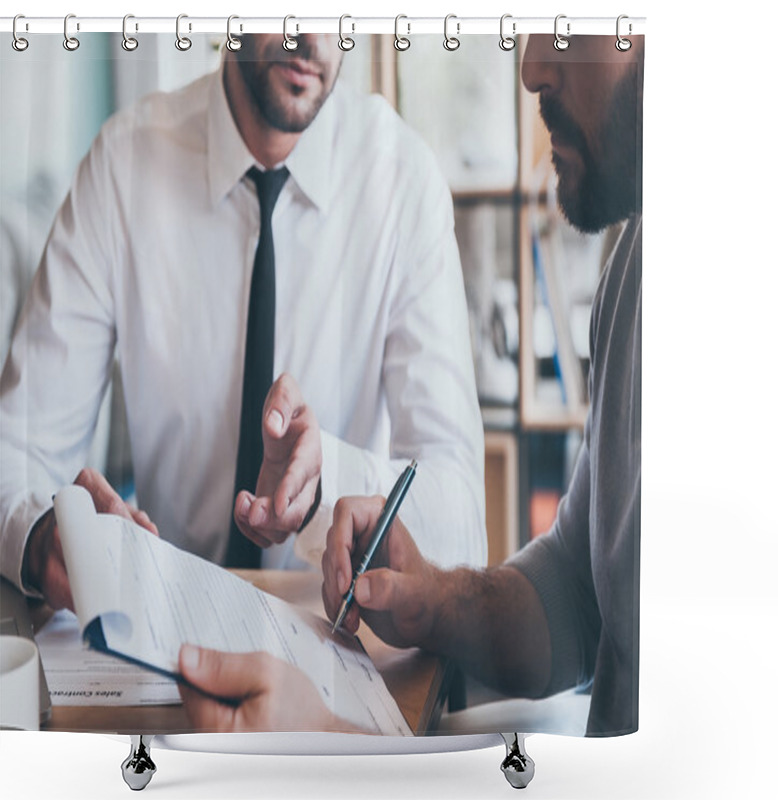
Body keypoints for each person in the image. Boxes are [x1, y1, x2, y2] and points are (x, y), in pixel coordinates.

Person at [175, 32, 643, 738]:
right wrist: (437, 605)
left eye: (568, 24)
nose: (534, 68)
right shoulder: (634, 253)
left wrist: (337, 747)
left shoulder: (400, 176)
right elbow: (581, 597)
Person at [0, 34, 486, 611]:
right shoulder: (123, 167)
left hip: (341, 644)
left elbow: (462, 527)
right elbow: (18, 447)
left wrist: (328, 477)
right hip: (162, 639)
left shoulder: (404, 182)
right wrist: (41, 539)